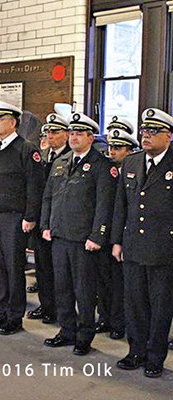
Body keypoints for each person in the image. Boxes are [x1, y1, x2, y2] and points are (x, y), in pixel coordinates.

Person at [41, 112, 117, 356]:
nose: (73, 137)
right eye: (71, 133)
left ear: (90, 137)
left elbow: (105, 205)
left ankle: (84, 335)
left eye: (78, 133)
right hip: (60, 236)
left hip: (84, 240)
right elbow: (48, 197)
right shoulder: (61, 162)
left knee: (83, 290)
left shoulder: (101, 166)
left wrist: (98, 236)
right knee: (61, 287)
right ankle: (67, 330)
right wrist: (45, 225)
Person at [112, 108, 173, 378]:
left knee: (160, 306)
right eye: (144, 131)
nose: (146, 136)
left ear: (169, 136)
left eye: (153, 132)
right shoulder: (132, 162)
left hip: (164, 250)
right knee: (134, 303)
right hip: (134, 245)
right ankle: (135, 350)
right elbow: (120, 207)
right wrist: (116, 241)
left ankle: (154, 356)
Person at [0, 100, 44, 335]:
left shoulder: (26, 149)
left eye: (0, 119)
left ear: (13, 123)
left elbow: (34, 186)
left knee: (13, 269)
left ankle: (14, 316)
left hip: (14, 218)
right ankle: (0, 311)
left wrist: (30, 216)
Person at [95, 116, 138, 340]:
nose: (112, 151)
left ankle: (119, 322)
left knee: (122, 284)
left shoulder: (135, 173)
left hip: (125, 237)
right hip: (105, 234)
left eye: (118, 147)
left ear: (130, 151)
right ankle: (105, 317)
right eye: (111, 146)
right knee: (104, 279)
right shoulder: (105, 171)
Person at [27, 113, 70, 324]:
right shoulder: (43, 157)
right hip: (43, 222)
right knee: (43, 268)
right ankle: (46, 306)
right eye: (48, 132)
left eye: (55, 132)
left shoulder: (71, 157)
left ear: (67, 134)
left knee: (60, 274)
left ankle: (61, 312)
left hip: (62, 224)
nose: (50, 136)